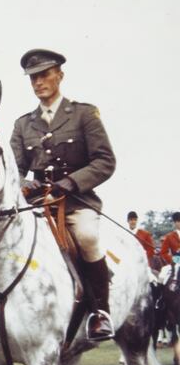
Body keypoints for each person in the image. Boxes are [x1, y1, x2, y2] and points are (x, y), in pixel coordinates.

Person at [11, 49, 116, 341]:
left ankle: (100, 312)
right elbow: (14, 169)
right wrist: (24, 183)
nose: (38, 82)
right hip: (36, 204)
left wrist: (69, 184)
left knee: (87, 236)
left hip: (76, 201)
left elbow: (104, 161)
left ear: (60, 75)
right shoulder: (23, 124)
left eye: (44, 75)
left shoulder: (84, 114)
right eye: (33, 77)